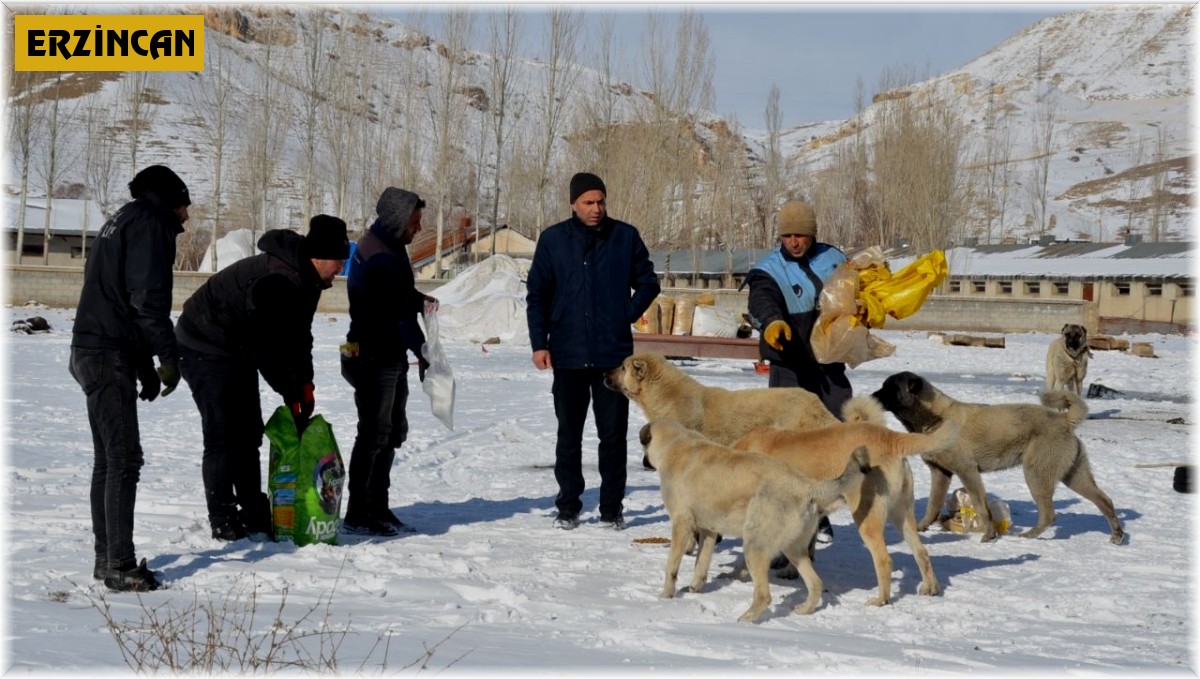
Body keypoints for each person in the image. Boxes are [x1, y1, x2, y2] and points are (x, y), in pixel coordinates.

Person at [175, 215, 349, 541]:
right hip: (203, 342)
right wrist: (291, 391)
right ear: (319, 256)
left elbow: (299, 337)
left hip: (237, 344)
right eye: (340, 259)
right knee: (223, 434)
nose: (342, 266)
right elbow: (266, 349)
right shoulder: (277, 281)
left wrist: (305, 383)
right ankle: (222, 516)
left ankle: (253, 511)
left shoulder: (310, 280)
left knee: (249, 432)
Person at [70, 164, 190, 592]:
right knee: (123, 460)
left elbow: (119, 298)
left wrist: (143, 368)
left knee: (109, 460)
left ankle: (107, 559)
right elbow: (145, 299)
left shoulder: (122, 218)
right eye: (185, 207)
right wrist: (167, 357)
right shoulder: (149, 225)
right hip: (106, 354)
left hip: (92, 348)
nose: (187, 218)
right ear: (170, 203)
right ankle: (119, 564)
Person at [526, 172, 661, 531]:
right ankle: (568, 506)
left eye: (600, 201)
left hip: (612, 359)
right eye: (588, 202)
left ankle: (611, 509)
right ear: (573, 203)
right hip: (568, 353)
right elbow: (537, 294)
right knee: (568, 434)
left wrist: (625, 315)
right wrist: (540, 343)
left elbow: (649, 281)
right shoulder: (553, 240)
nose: (596, 209)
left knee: (612, 436)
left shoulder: (625, 237)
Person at [743, 199, 850, 544]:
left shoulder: (834, 259)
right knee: (787, 443)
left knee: (836, 434)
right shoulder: (768, 269)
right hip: (790, 364)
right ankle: (786, 518)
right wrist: (772, 322)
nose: (794, 242)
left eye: (800, 235)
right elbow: (761, 300)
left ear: (812, 234)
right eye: (787, 235)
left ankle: (820, 511)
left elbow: (858, 290)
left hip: (829, 363)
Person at [341, 187, 438, 537]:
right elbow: (395, 312)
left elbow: (398, 296)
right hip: (374, 355)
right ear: (398, 220)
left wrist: (416, 298)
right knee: (374, 434)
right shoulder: (380, 254)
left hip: (388, 353)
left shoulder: (389, 247)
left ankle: (377, 505)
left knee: (391, 432)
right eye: (415, 221)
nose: (419, 228)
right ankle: (359, 510)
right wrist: (423, 352)